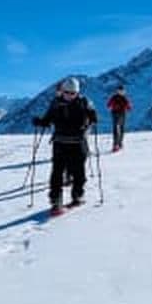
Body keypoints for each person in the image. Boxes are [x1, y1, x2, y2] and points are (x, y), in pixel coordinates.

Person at [32, 77, 97, 214]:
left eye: (72, 93)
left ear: (77, 92)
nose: (69, 95)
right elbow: (47, 120)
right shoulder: (56, 103)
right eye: (67, 92)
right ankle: (56, 201)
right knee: (57, 173)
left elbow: (94, 119)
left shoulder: (84, 102)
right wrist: (40, 122)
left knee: (78, 172)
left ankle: (77, 196)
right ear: (62, 91)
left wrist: (92, 115)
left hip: (78, 142)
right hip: (61, 143)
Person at [106, 85, 132, 152]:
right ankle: (118, 144)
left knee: (117, 128)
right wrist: (127, 108)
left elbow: (108, 105)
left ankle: (116, 144)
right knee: (120, 128)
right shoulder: (123, 98)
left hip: (116, 113)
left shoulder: (115, 97)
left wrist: (112, 106)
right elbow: (129, 107)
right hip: (121, 114)